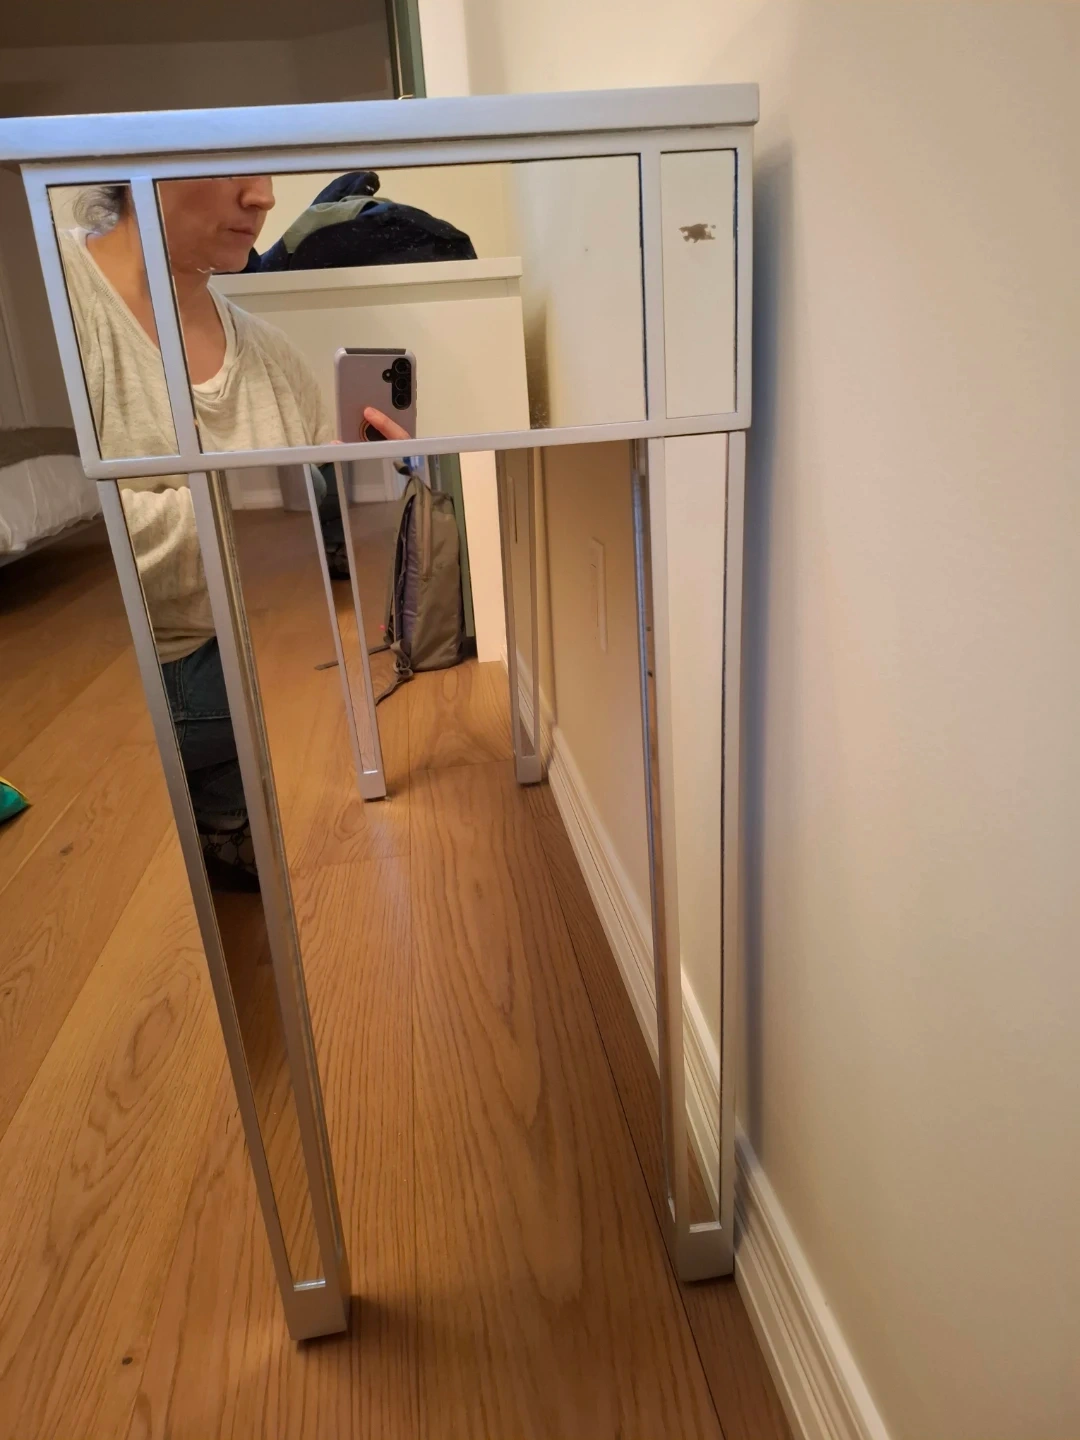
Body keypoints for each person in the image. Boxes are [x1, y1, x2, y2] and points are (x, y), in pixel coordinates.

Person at [60, 177, 407, 888]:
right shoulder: (59, 299)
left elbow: (317, 535)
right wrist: (260, 516)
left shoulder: (272, 356)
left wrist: (381, 472)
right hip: (153, 669)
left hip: (277, 647)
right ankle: (219, 815)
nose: (264, 198)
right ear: (142, 165)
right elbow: (90, 545)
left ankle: (233, 812)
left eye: (264, 167)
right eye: (227, 164)